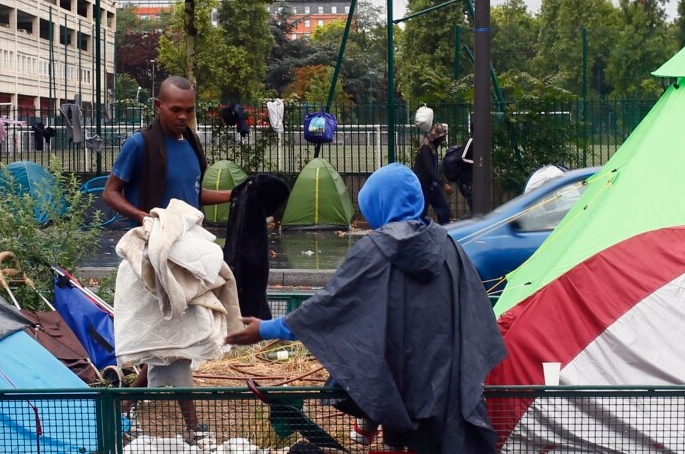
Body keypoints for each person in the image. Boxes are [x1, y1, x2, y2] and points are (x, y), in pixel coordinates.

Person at [226, 163, 506, 453]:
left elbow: (329, 307)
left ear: (377, 203)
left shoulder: (375, 249)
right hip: (445, 384)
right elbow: (476, 308)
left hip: (394, 382)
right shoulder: (448, 245)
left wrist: (267, 328)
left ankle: (372, 429)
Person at [103, 75, 232, 440]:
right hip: (154, 259)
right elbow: (111, 192)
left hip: (186, 255)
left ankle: (123, 408)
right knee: (178, 340)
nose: (183, 116)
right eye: (175, 109)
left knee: (168, 341)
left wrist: (234, 195)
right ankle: (191, 428)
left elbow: (190, 195)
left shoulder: (190, 141)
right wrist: (147, 217)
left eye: (189, 110)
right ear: (158, 106)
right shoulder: (140, 144)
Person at [412, 122, 452, 224]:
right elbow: (429, 168)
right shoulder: (426, 147)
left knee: (444, 211)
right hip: (423, 185)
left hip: (432, 185)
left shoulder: (432, 145)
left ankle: (445, 233)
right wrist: (443, 184)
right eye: (442, 137)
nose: (443, 139)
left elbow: (433, 168)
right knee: (420, 213)